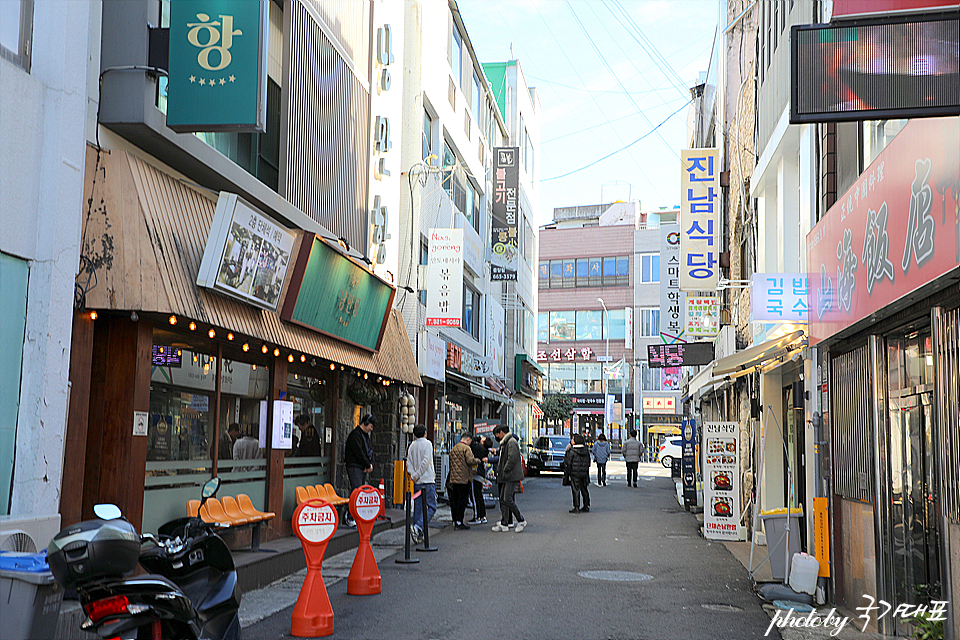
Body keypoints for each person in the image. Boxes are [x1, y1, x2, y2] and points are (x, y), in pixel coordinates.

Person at [491, 425, 526, 533]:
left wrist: (505, 470)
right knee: (503, 498)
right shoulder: (505, 443)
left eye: (497, 434)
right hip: (506, 476)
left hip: (511, 475)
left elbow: (512, 459)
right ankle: (504, 523)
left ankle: (521, 520)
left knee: (507, 498)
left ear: (501, 432)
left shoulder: (511, 442)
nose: (497, 436)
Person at [343, 414, 376, 526]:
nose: (371, 429)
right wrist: (367, 464)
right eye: (371, 426)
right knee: (356, 490)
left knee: (358, 491)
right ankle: (349, 515)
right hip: (354, 465)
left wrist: (369, 464)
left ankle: (355, 514)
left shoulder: (364, 436)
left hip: (361, 467)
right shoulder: (355, 435)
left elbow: (369, 451)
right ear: (365, 423)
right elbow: (359, 453)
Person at [406, 424, 436, 543]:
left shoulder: (412, 445)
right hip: (427, 480)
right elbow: (426, 461)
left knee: (418, 507)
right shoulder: (428, 444)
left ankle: (418, 533)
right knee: (431, 507)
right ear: (425, 433)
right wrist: (418, 474)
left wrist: (413, 475)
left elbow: (408, 462)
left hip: (417, 481)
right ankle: (418, 527)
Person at [447, 431, 477, 530]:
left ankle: (455, 520)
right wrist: (478, 460)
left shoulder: (454, 448)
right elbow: (470, 461)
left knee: (454, 500)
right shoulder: (466, 448)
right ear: (467, 439)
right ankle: (459, 521)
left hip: (453, 478)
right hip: (464, 479)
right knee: (462, 501)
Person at [564, 433, 591, 513]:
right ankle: (586, 505)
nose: (571, 441)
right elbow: (588, 462)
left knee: (576, 490)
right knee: (584, 489)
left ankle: (576, 506)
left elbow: (568, 463)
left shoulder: (572, 451)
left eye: (572, 439)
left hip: (575, 473)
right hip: (584, 473)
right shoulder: (586, 450)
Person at [467, 432, 491, 525]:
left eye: (483, 439)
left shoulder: (478, 448)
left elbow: (472, 441)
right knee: (479, 496)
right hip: (480, 474)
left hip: (476, 474)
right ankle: (482, 516)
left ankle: (477, 517)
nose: (482, 437)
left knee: (474, 496)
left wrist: (476, 438)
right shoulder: (483, 450)